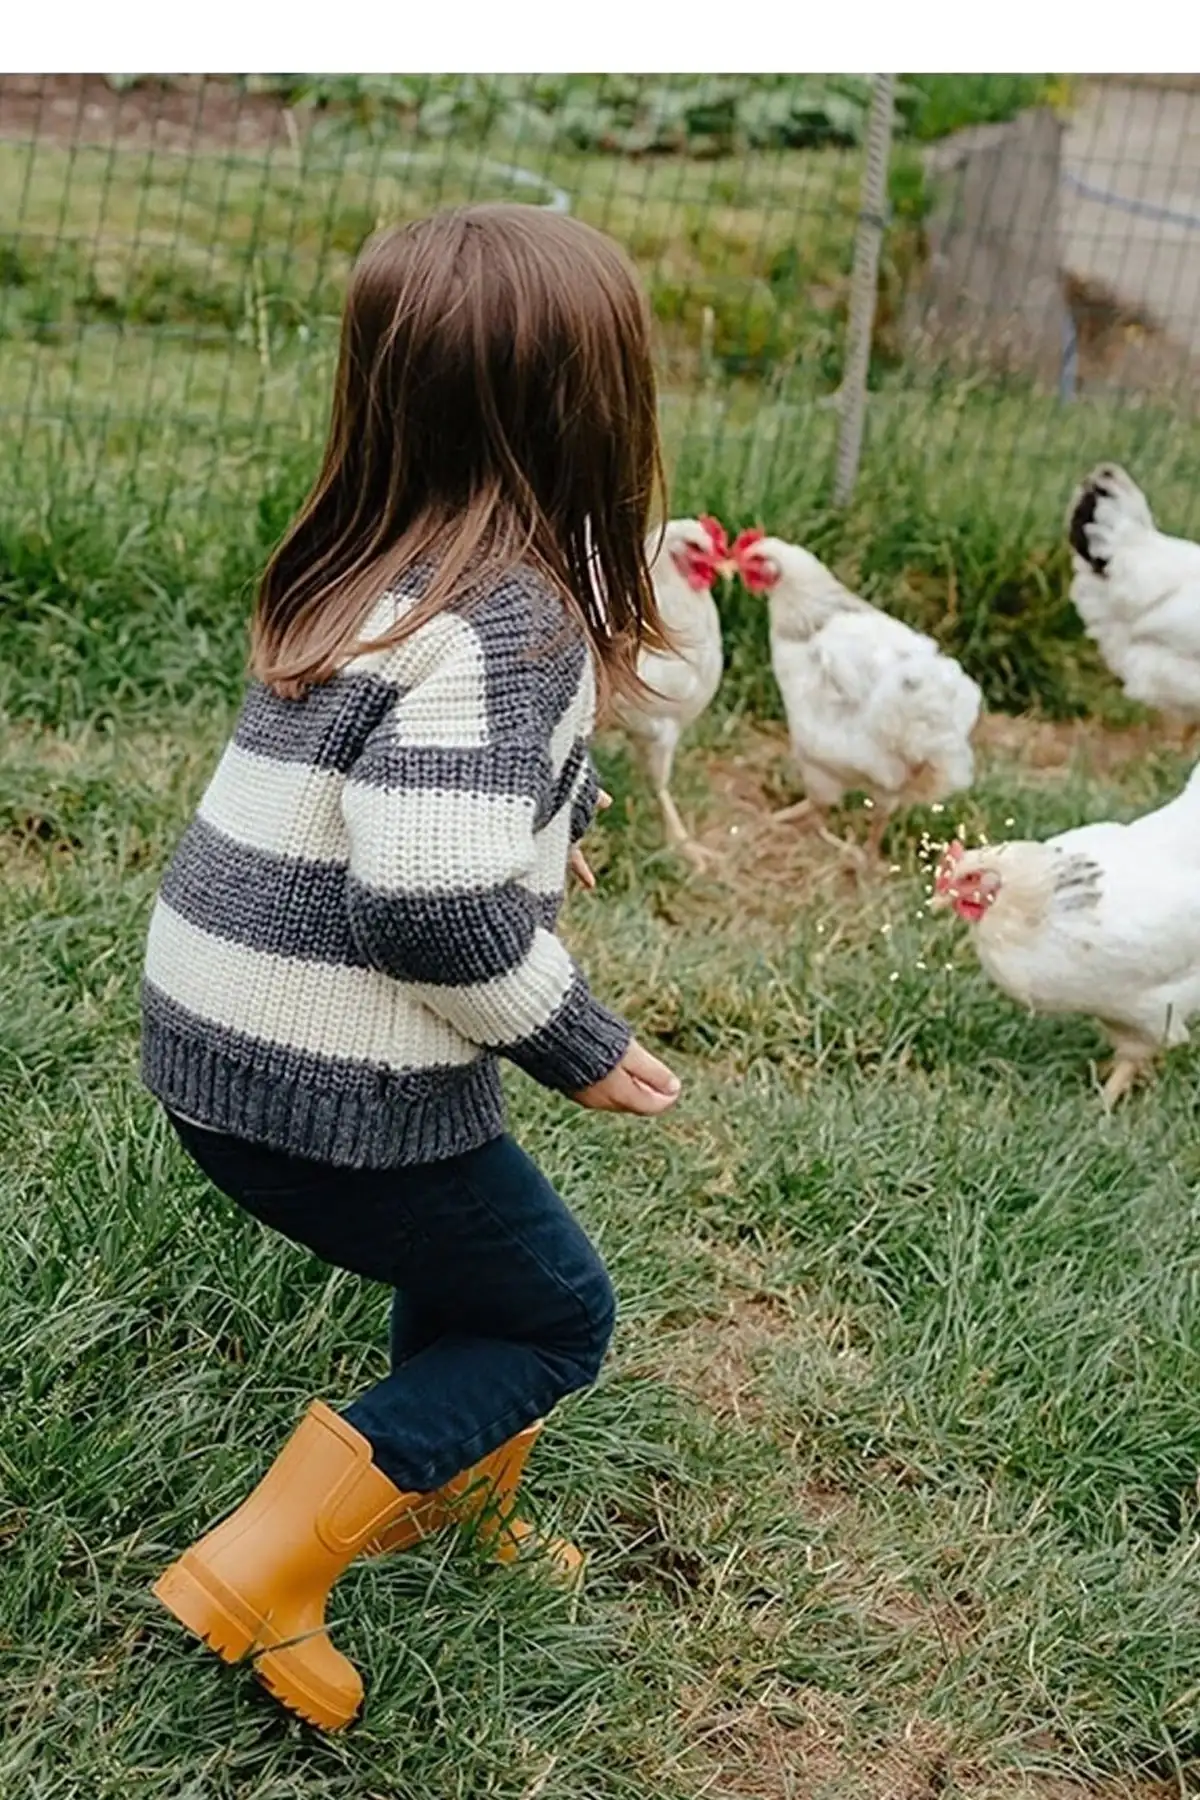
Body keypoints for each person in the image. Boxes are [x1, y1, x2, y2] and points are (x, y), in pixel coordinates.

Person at [142, 203, 682, 1733]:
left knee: (472, 1267)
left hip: (218, 1036)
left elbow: (402, 798)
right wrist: (578, 1041)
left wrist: (550, 829)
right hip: (333, 1079)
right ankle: (255, 1574)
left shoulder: (370, 572)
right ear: (595, 411)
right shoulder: (512, 621)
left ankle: (448, 1498)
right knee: (551, 1312)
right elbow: (433, 908)